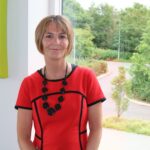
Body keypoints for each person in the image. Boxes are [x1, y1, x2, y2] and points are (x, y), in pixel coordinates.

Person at [15, 15, 106, 150]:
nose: (56, 42)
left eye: (62, 36)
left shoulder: (87, 77)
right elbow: (23, 136)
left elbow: (96, 129)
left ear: (69, 42)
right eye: (49, 36)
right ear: (40, 41)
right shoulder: (28, 84)